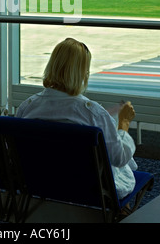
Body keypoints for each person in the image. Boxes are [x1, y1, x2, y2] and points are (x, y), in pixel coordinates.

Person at [16, 37, 137, 199]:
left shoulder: (27, 108)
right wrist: (124, 125)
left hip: (39, 182)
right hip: (88, 189)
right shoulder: (94, 113)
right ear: (83, 72)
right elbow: (119, 158)